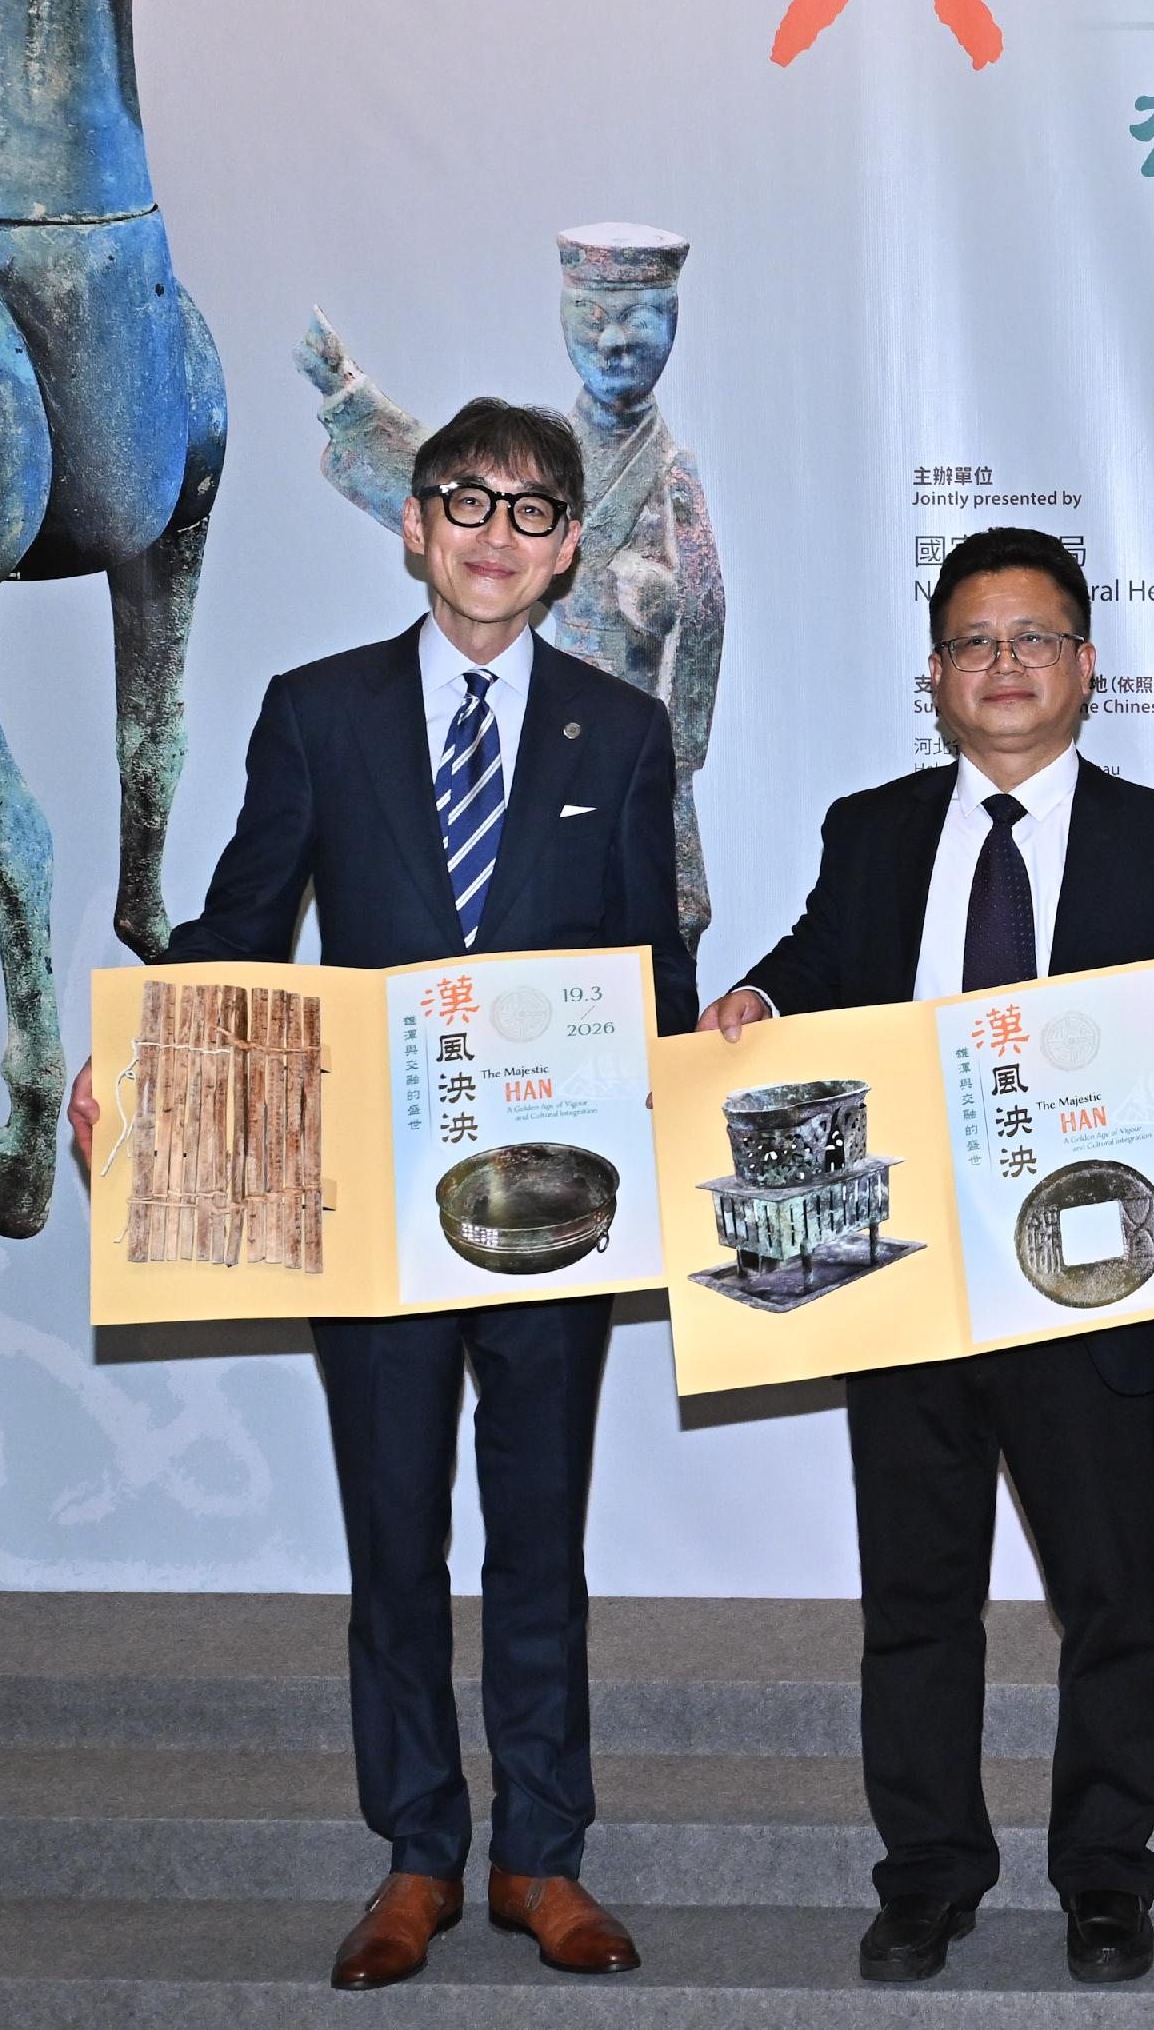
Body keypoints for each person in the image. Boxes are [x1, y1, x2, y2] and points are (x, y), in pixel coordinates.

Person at [64, 397, 694, 1990]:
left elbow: (651, 973)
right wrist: (140, 1075)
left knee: (539, 1540)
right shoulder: (319, 711)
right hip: (371, 1201)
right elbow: (241, 922)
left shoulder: (620, 732)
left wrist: (698, 1111)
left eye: (533, 509)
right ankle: (416, 1852)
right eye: (465, 500)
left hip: (558, 1206)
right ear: (413, 525)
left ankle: (541, 1854)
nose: (496, 531)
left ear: (566, 553)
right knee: (395, 1537)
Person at [703, 526, 1154, 1988]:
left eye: (1032, 639)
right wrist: (761, 994)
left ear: (1084, 664)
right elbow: (821, 962)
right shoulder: (873, 828)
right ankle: (930, 1871)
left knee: (1114, 1597)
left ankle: (1104, 1876)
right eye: (972, 643)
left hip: (1101, 1286)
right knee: (918, 1598)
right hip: (912, 1280)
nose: (1002, 667)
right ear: (936, 675)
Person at [301, 221, 727, 942]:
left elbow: (700, 654)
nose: (614, 341)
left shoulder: (670, 479)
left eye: (638, 318)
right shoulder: (317, 709)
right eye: (591, 317)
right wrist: (348, 397)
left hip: (611, 780)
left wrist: (654, 772)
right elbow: (434, 477)